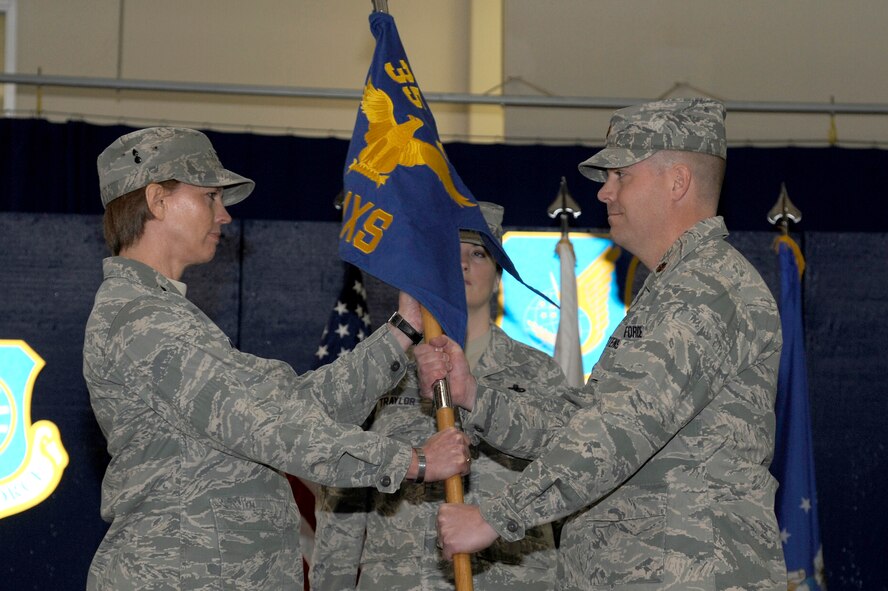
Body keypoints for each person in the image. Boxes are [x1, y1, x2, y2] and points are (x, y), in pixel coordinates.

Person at [415, 99, 787, 590]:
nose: (605, 193)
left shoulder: (707, 291)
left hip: (688, 572)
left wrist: (495, 518)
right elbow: (584, 421)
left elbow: (619, 428)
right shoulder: (670, 290)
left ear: (677, 182)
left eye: (620, 176)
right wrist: (477, 398)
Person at [82, 127, 471, 590]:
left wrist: (401, 330)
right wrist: (414, 462)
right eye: (209, 196)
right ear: (158, 200)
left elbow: (294, 404)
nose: (224, 214)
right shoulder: (140, 320)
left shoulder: (168, 315)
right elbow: (270, 428)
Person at [310, 202, 565, 591]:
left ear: (498, 274)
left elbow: (570, 476)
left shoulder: (540, 372)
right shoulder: (385, 370)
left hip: (516, 578)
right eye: (449, 252)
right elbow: (343, 497)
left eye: (478, 254)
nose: (462, 264)